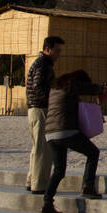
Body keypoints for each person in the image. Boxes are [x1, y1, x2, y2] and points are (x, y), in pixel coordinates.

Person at [40, 68, 106, 213]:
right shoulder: (72, 84)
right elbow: (88, 89)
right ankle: (88, 186)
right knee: (93, 153)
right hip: (66, 131)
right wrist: (101, 88)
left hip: (50, 134)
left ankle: (47, 202)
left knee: (59, 170)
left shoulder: (56, 86)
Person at [25, 36, 63, 194]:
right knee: (43, 149)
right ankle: (39, 184)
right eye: (57, 50)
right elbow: (38, 85)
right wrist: (52, 100)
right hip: (40, 109)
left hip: (34, 109)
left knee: (37, 147)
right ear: (48, 49)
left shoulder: (41, 63)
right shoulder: (43, 64)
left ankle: (31, 179)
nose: (58, 54)